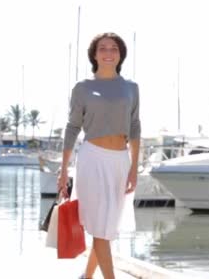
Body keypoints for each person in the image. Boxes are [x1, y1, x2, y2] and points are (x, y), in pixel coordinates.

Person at [58, 32, 140, 279]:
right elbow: (73, 127)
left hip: (120, 161)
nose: (108, 52)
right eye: (102, 48)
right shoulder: (83, 88)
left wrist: (134, 167)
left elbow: (135, 127)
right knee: (100, 228)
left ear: (120, 54)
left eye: (113, 48)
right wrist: (63, 170)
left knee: (107, 228)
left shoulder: (131, 88)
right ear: (94, 55)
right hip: (92, 159)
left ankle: (87, 276)